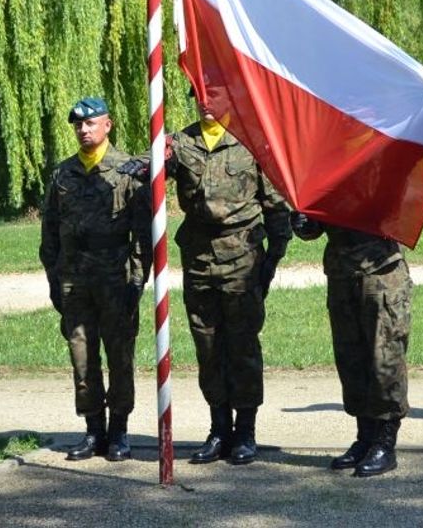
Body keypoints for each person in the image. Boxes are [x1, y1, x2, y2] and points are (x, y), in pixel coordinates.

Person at [121, 91, 291, 465]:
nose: (206, 103)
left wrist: (272, 259)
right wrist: (148, 161)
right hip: (199, 260)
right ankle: (219, 429)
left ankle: (245, 431)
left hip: (242, 260)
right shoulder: (183, 142)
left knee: (242, 345)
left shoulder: (251, 143)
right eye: (199, 96)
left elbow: (275, 206)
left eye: (214, 96)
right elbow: (153, 160)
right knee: (208, 347)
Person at [40, 96, 150, 462]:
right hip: (75, 281)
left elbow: (143, 235)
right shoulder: (62, 174)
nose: (84, 130)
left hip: (115, 280)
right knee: (82, 358)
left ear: (108, 125)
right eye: (78, 125)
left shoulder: (129, 172)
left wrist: (136, 280)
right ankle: (93, 431)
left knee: (120, 357)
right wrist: (55, 280)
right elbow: (50, 234)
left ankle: (119, 431)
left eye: (91, 123)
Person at [289, 214, 412, 477]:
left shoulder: (382, 171)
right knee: (350, 358)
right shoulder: (323, 173)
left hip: (381, 269)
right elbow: (314, 223)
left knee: (385, 357)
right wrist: (305, 223)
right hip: (341, 270)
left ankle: (384, 443)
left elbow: (406, 207)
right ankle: (365, 438)